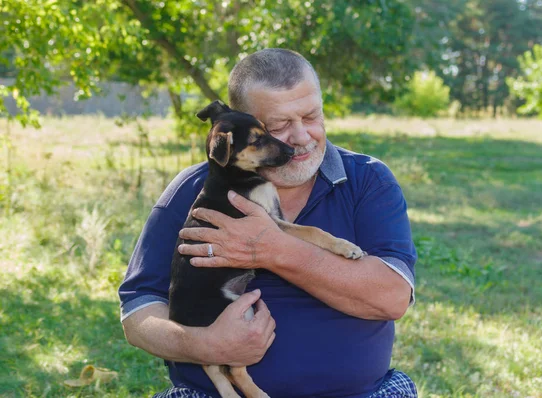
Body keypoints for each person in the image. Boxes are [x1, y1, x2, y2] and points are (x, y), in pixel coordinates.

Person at [119, 48, 418, 398]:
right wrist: (204, 345)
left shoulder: (368, 181)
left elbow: (393, 298)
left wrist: (274, 250)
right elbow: (138, 312)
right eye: (278, 126)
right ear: (244, 126)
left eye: (311, 116)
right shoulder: (192, 189)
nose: (302, 137)